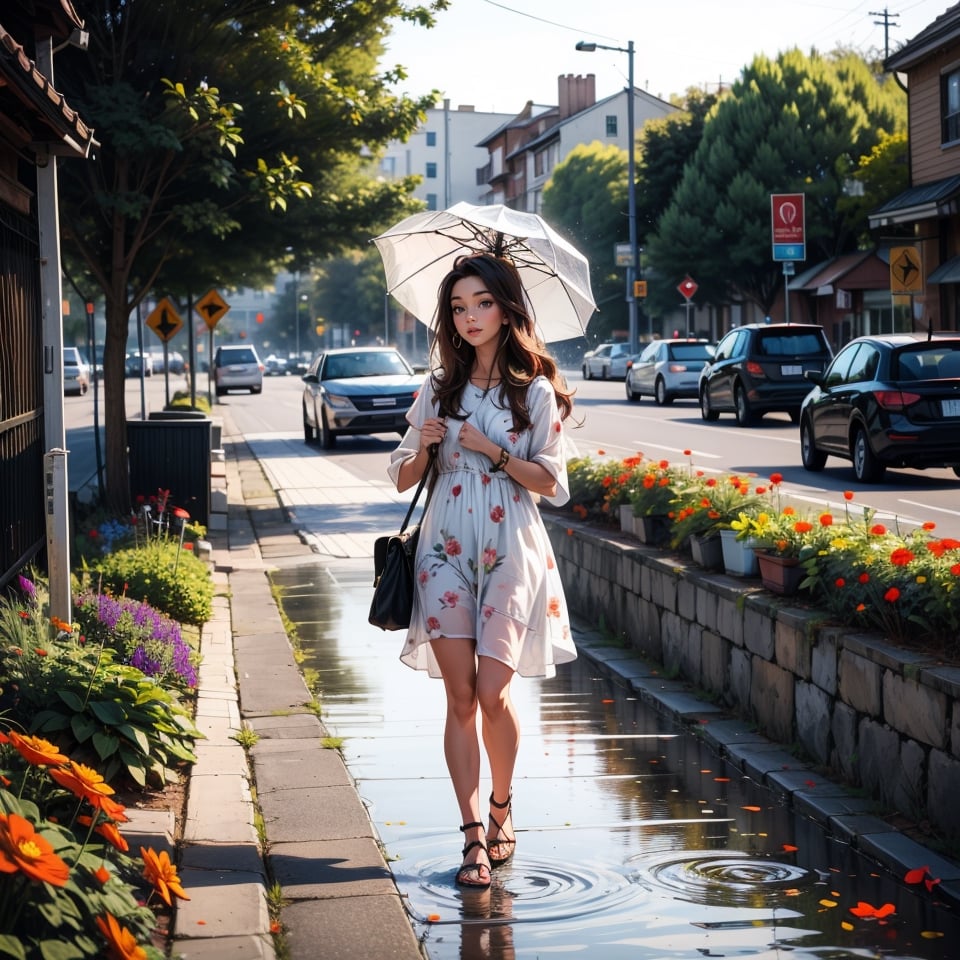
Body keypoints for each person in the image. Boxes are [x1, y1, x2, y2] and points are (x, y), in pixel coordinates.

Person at [387, 252, 577, 889]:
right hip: (443, 547)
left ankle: (502, 806)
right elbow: (401, 475)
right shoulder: (439, 386)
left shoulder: (536, 392)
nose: (470, 317)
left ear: (506, 308)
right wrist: (430, 444)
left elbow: (551, 483)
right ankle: (471, 837)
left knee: (494, 693)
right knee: (460, 695)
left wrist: (488, 448)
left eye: (482, 303)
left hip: (510, 548)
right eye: (459, 307)